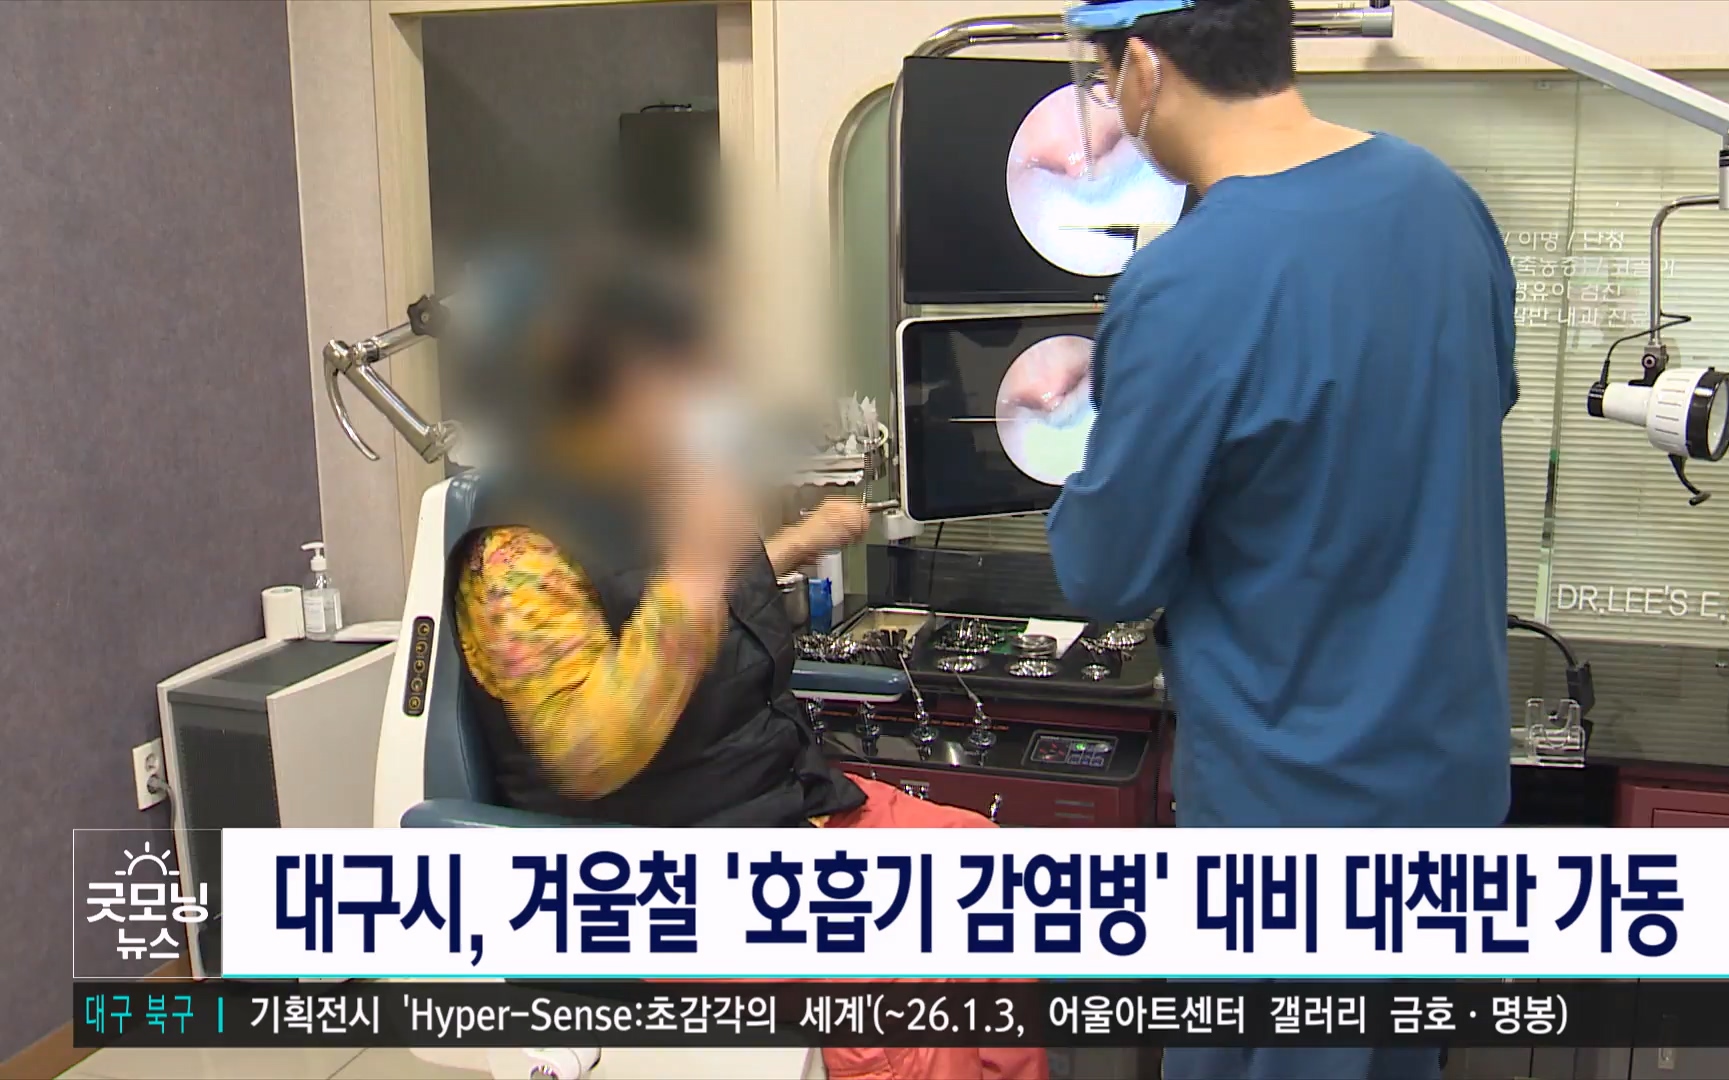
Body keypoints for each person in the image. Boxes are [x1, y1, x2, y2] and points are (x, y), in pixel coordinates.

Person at [1044, 2, 1517, 1078]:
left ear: (1144, 68)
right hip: (1446, 798)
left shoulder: (1187, 280)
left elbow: (1106, 573)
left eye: (1105, 79)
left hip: (1291, 826)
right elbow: (1454, 424)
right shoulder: (1444, 202)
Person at [448, 244, 1047, 1080]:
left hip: (777, 807)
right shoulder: (517, 555)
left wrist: (800, 540)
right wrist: (695, 572)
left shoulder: (648, 486)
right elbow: (587, 746)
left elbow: (671, 592)